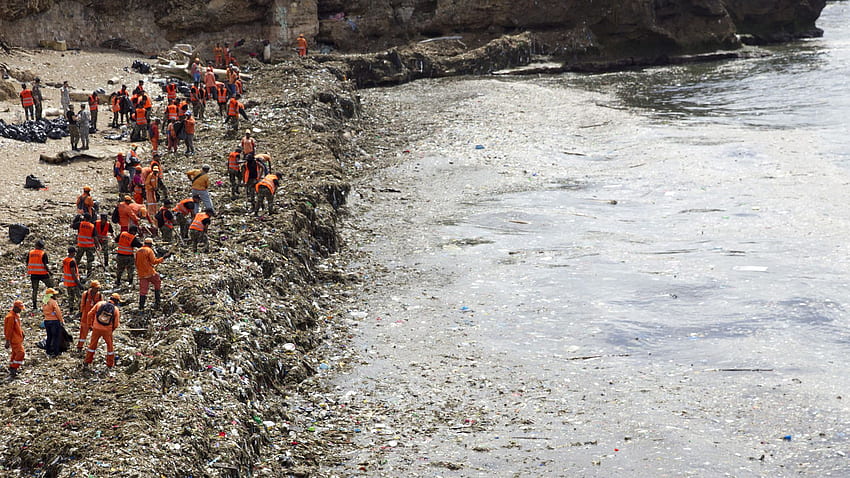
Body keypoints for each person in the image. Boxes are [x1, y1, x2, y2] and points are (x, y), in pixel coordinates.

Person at [84, 293, 121, 369]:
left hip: (96, 328)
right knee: (110, 347)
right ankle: (110, 364)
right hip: (107, 330)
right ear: (117, 302)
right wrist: (111, 330)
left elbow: (89, 314)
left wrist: (90, 325)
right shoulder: (116, 309)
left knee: (92, 345)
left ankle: (87, 361)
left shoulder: (99, 304)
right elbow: (116, 324)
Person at [136, 238, 171, 310]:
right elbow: (154, 261)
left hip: (142, 274)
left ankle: (141, 307)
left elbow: (137, 262)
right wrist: (163, 257)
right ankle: (158, 302)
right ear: (150, 244)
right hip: (150, 273)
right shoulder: (149, 250)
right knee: (157, 282)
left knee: (143, 291)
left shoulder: (138, 251)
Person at [27, 240, 54, 311]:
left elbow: (27, 263)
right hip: (43, 274)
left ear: (36, 245)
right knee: (51, 286)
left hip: (34, 274)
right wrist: (49, 272)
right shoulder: (43, 254)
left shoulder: (30, 253)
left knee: (35, 290)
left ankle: (34, 306)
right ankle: (48, 301)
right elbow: (45, 265)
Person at [77, 280, 102, 353]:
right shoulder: (86, 294)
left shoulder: (99, 295)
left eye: (98, 288)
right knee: (83, 333)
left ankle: (91, 348)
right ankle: (80, 347)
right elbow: (82, 305)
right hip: (85, 317)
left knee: (94, 334)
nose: (97, 289)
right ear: (92, 287)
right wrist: (81, 314)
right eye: (96, 288)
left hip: (94, 318)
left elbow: (100, 306)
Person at [4, 300, 25, 378]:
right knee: (21, 353)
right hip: (14, 339)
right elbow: (8, 330)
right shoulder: (10, 317)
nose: (20, 310)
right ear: (15, 307)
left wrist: (22, 333)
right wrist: (7, 341)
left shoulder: (16, 315)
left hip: (18, 338)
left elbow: (18, 327)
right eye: (19, 308)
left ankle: (12, 366)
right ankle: (14, 367)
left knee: (15, 353)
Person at [72, 213, 97, 278]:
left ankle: (74, 271)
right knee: (90, 260)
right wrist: (98, 245)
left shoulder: (80, 224)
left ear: (84, 218)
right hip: (90, 246)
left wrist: (77, 218)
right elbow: (95, 237)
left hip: (81, 245)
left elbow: (72, 225)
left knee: (77, 259)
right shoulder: (92, 226)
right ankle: (89, 274)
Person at [42, 288, 64, 358]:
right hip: (54, 322)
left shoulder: (45, 302)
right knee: (55, 338)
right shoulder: (53, 302)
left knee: (49, 337)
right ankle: (56, 352)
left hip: (46, 321)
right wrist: (61, 320)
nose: (56, 296)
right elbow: (58, 312)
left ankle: (48, 351)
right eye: (54, 294)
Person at [62, 247, 82, 315]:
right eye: (74, 252)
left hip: (67, 283)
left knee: (71, 297)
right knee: (79, 297)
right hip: (73, 283)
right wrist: (79, 284)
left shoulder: (65, 260)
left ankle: (71, 310)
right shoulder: (72, 261)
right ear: (72, 253)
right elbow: (73, 274)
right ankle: (80, 311)